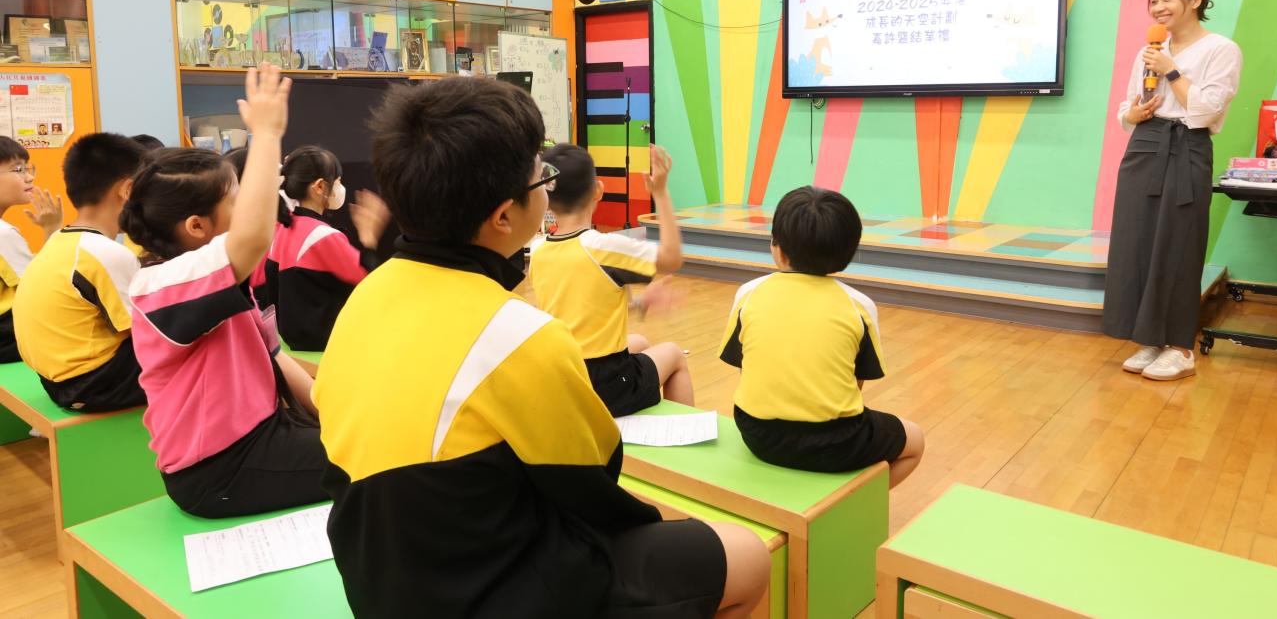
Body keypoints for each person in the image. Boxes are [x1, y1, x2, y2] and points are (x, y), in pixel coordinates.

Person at [314, 77, 768, 619]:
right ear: (504, 216)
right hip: (480, 588)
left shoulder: (365, 298)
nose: (547, 190)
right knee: (747, 556)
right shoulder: (517, 335)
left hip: (381, 580)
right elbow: (592, 479)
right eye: (539, 176)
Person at [122, 66, 328, 518]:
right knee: (381, 462)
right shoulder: (161, 286)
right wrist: (267, 134)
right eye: (237, 199)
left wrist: (329, 408)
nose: (253, 207)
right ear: (197, 226)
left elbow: (273, 355)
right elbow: (252, 237)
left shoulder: (218, 280)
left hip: (264, 436)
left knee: (373, 437)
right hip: (218, 470)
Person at [720, 186, 924, 488]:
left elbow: (746, 369)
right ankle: (855, 501)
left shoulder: (748, 293)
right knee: (915, 441)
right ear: (848, 253)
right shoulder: (860, 305)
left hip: (757, 433)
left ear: (778, 249)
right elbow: (856, 385)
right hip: (837, 442)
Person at [1105, 0, 1243, 381]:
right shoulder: (1149, 50)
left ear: (1196, 0)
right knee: (1137, 240)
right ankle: (1149, 337)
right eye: (1154, 0)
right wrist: (1133, 113)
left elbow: (1206, 111)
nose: (1158, 8)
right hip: (1145, 143)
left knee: (1179, 241)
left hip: (1187, 144)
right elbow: (1128, 107)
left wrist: (1171, 70)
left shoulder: (1221, 49)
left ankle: (1180, 347)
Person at [529, 142, 693, 416]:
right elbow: (672, 258)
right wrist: (661, 193)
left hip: (563, 374)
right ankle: (682, 435)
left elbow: (581, 306)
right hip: (605, 385)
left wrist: (640, 303)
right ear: (598, 190)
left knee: (640, 341)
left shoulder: (538, 251)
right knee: (674, 354)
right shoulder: (604, 248)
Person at [14, 133, 148, 410]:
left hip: (57, 382)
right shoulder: (105, 253)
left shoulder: (61, 240)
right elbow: (146, 331)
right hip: (94, 385)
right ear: (127, 189)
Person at [254, 145, 390, 350]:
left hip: (291, 337)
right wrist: (368, 237)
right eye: (338, 182)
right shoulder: (321, 235)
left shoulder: (284, 228)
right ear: (319, 187)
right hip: (324, 339)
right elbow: (368, 280)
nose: (340, 188)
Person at [0, 137, 63, 362]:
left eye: (28, 168)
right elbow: (41, 286)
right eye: (18, 170)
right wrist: (52, 228)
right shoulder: (4, 234)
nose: (29, 177)